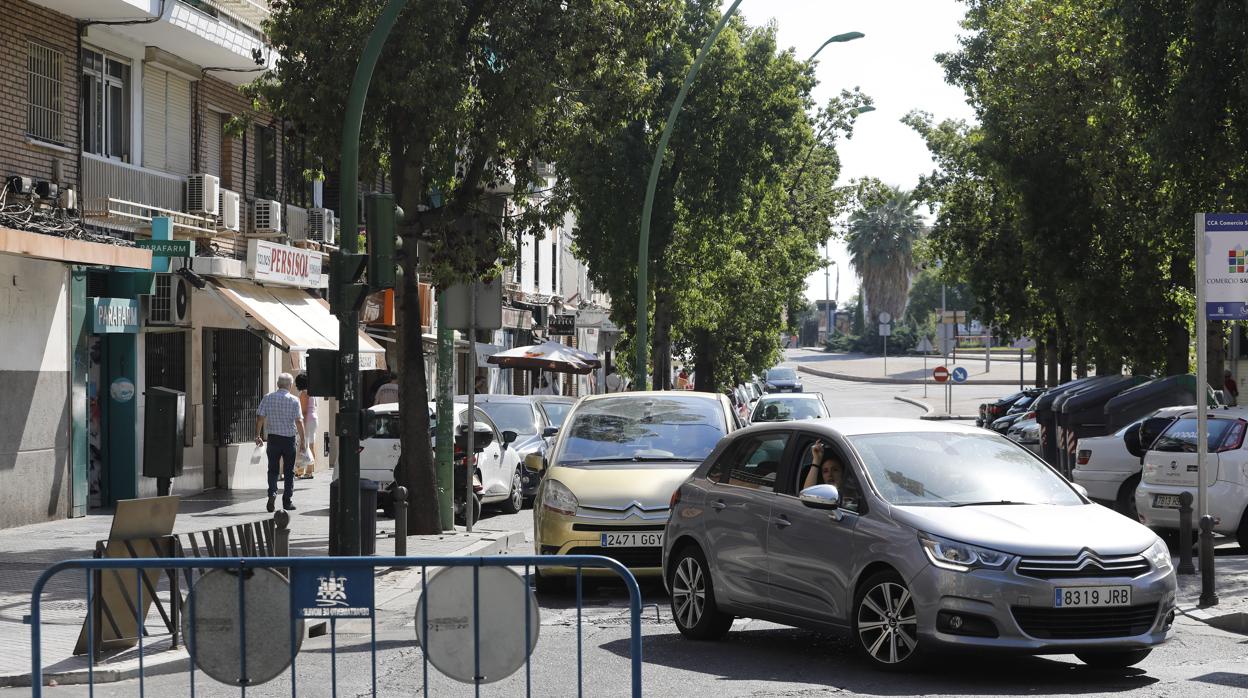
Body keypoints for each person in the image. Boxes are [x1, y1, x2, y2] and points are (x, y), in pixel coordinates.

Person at [255, 373, 305, 512]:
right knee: (289, 471)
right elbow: (299, 421)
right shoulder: (294, 400)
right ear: (289, 385)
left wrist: (257, 435)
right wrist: (303, 441)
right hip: (289, 440)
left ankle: (272, 493)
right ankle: (287, 501)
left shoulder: (268, 397)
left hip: (273, 439)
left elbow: (260, 417)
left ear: (278, 384)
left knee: (273, 470)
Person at [293, 373, 317, 479]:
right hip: (314, 419)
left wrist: (299, 422)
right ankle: (309, 471)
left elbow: (303, 411)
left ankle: (301, 471)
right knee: (310, 445)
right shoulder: (313, 392)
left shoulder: (303, 393)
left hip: (307, 420)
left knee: (303, 444)